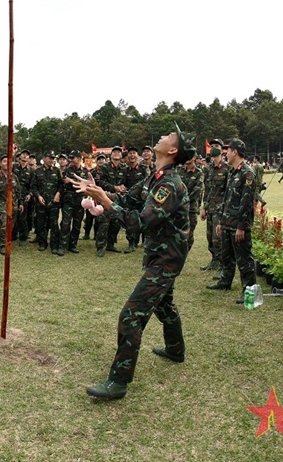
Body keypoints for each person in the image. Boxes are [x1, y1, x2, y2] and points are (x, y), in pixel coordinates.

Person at [78, 129, 197, 400]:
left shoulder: (170, 185)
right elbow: (127, 200)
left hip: (167, 258)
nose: (163, 136)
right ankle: (176, 350)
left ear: (173, 151)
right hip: (160, 254)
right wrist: (100, 194)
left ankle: (118, 382)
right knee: (164, 304)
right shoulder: (154, 177)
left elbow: (140, 222)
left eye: (169, 136)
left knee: (131, 315)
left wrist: (106, 202)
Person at [207, 138, 257, 302]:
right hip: (228, 223)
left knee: (244, 261)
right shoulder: (232, 172)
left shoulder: (247, 173)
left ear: (235, 152)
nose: (225, 153)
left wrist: (241, 226)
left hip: (238, 225)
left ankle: (249, 294)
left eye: (228, 151)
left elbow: (247, 203)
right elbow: (227, 199)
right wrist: (221, 221)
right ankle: (225, 281)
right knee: (226, 257)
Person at [200, 144, 229, 272]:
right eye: (211, 146)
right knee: (210, 237)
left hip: (220, 209)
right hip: (210, 208)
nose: (213, 148)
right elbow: (207, 190)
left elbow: (229, 191)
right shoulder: (208, 169)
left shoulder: (227, 169)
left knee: (218, 238)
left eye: (216, 145)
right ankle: (214, 260)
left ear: (222, 151)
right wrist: (204, 207)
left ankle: (223, 264)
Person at [32, 151, 63, 254]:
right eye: (50, 158)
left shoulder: (57, 171)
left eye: (53, 158)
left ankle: (54, 245)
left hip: (54, 203)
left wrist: (58, 194)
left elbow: (61, 185)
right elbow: (33, 186)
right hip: (41, 203)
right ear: (44, 158)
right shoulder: (37, 171)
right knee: (41, 223)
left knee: (54, 224)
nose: (52, 160)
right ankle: (42, 243)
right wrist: (38, 196)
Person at [0, 154, 20, 255]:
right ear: (0, 163)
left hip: (14, 204)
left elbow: (18, 191)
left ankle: (7, 241)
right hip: (1, 203)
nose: (7, 163)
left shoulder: (14, 176)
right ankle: (3, 245)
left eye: (9, 161)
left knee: (11, 225)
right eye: (5, 161)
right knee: (5, 224)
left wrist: (21, 203)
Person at [59, 151, 86, 254]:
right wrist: (70, 181)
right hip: (68, 201)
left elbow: (86, 185)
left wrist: (72, 181)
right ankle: (62, 246)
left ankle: (73, 245)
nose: (71, 160)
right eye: (70, 158)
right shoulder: (67, 170)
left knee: (77, 224)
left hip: (80, 202)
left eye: (73, 157)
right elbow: (64, 181)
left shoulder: (85, 171)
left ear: (79, 158)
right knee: (65, 224)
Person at [177, 155, 203, 251]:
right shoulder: (179, 171)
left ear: (194, 157)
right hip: (179, 207)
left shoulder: (199, 173)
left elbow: (197, 191)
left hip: (191, 208)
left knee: (189, 231)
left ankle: (185, 251)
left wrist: (184, 200)